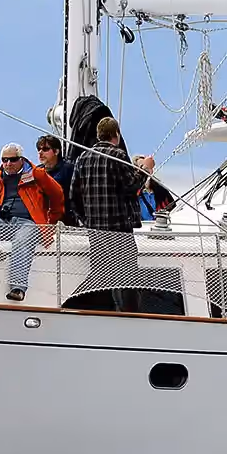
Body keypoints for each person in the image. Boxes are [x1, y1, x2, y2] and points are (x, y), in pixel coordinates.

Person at [66, 115, 151, 310]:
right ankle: (130, 316)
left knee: (102, 274)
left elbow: (74, 195)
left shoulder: (83, 158)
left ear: (98, 135)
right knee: (127, 276)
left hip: (95, 230)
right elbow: (132, 186)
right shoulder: (118, 156)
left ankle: (105, 313)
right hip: (119, 229)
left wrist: (85, 220)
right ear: (116, 135)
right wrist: (146, 169)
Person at [0, 143, 66, 302]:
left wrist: (50, 220)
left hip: (27, 223)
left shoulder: (38, 176)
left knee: (23, 241)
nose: (8, 164)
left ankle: (17, 288)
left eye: (13, 159)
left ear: (21, 159)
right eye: (4, 160)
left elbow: (57, 194)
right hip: (3, 223)